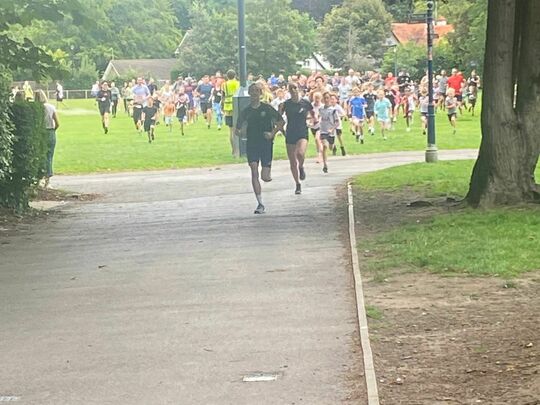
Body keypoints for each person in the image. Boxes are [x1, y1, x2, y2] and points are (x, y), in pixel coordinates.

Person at [235, 83, 284, 214]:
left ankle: (268, 174)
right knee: (254, 170)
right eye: (252, 91)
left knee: (265, 177)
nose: (255, 94)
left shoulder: (267, 108)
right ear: (250, 94)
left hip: (265, 144)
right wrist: (242, 132)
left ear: (260, 93)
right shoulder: (246, 112)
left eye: (257, 91)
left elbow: (280, 122)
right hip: (252, 143)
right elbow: (237, 130)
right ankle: (260, 203)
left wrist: (272, 134)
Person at [279, 83, 314, 194]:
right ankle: (297, 184)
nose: (293, 90)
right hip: (290, 132)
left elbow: (312, 114)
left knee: (300, 153)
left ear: (298, 89)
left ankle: (302, 166)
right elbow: (278, 119)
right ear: (288, 91)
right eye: (291, 89)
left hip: (302, 131)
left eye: (295, 88)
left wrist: (311, 121)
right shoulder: (286, 104)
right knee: (292, 161)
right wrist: (282, 130)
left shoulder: (305, 103)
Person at [35, 90, 59, 188]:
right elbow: (57, 123)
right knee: (49, 156)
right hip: (50, 132)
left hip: (41, 132)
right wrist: (53, 130)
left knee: (40, 156)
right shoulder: (51, 107)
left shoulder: (36, 108)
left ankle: (38, 179)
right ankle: (47, 181)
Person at [318, 92, 339, 174]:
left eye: (328, 98)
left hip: (331, 131)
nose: (326, 100)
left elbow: (337, 122)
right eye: (325, 98)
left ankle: (333, 146)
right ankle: (325, 165)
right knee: (324, 146)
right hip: (323, 130)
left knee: (330, 146)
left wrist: (332, 128)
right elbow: (319, 117)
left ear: (330, 99)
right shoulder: (321, 109)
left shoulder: (333, 110)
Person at [222, 70, 240, 157]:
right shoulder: (237, 83)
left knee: (231, 130)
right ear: (235, 75)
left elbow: (223, 95)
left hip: (227, 107)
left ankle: (233, 150)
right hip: (235, 106)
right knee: (236, 129)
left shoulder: (224, 84)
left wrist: (223, 107)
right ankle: (238, 150)